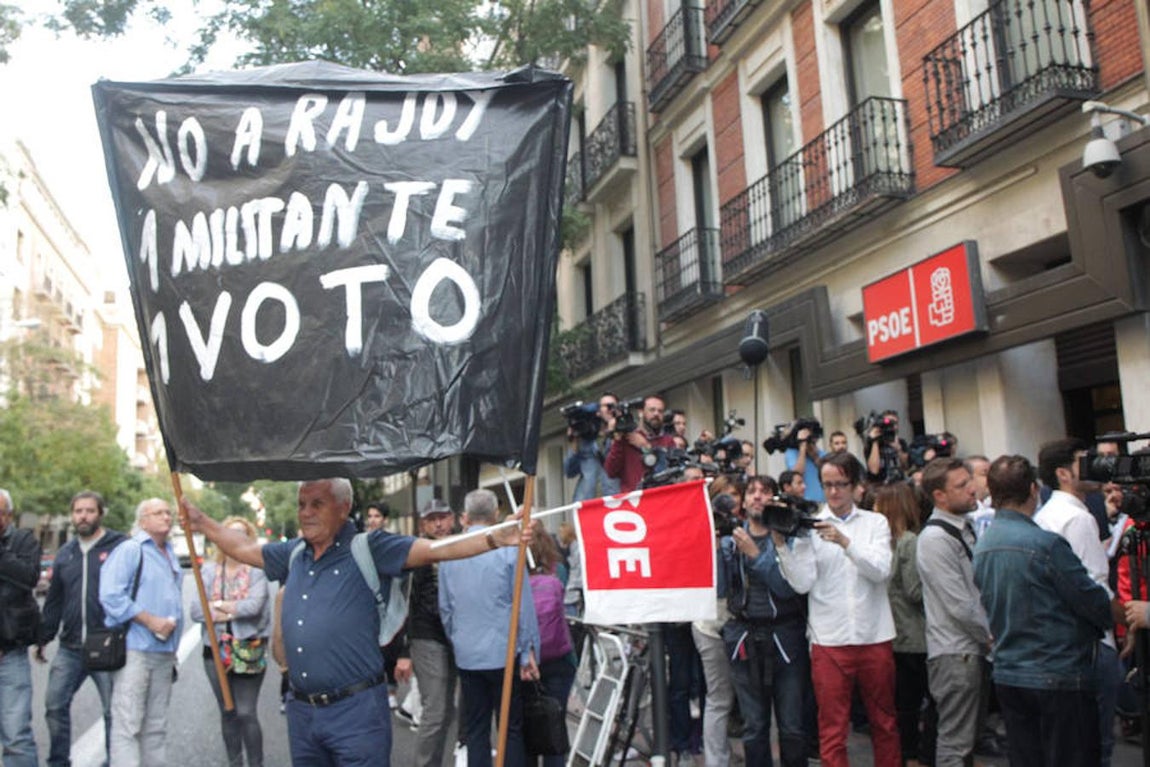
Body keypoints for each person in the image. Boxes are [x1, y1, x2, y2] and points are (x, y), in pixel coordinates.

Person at [184, 478, 533, 766]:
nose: (306, 513)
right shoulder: (293, 553)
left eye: (317, 504)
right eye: (302, 505)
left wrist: (493, 538)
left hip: (357, 714)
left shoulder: (370, 547)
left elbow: (435, 550)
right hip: (303, 713)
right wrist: (202, 523)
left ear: (343, 508)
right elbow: (245, 549)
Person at [972, 455, 1112, 767]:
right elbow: (1093, 602)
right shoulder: (1045, 544)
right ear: (1034, 489)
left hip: (1011, 671)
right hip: (1056, 671)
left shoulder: (984, 544)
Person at [774, 452, 901, 767]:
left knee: (884, 721)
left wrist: (846, 543)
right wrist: (781, 546)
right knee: (832, 727)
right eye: (828, 484)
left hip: (874, 636)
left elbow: (881, 571)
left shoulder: (876, 522)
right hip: (829, 641)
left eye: (841, 484)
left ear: (856, 486)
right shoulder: (810, 525)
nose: (833, 492)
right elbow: (802, 584)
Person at [439, 489, 540, 767]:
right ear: (495, 514)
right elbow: (522, 606)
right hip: (503, 651)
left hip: (467, 652)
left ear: (466, 517)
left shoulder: (451, 551)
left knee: (476, 729)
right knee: (511, 729)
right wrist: (527, 650)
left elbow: (446, 608)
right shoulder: (508, 549)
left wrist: (457, 638)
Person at [1035, 438, 1118, 764]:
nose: (1095, 467)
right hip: (1093, 644)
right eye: (1085, 461)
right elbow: (1095, 586)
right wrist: (1113, 633)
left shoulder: (1047, 514)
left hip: (1064, 645)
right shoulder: (1078, 519)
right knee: (1098, 744)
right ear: (1063, 473)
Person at [720, 475, 810, 767]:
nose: (758, 496)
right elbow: (721, 590)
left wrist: (756, 555)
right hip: (745, 638)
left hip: (785, 637)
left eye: (765, 491)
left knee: (792, 725)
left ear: (774, 498)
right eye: (752, 491)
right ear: (743, 501)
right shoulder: (729, 540)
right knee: (754, 725)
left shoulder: (788, 536)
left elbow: (788, 589)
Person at [38, 491, 127, 767]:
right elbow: (54, 601)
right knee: (54, 706)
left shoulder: (119, 547)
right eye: (78, 511)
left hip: (108, 646)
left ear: (100, 513)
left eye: (89, 510)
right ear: (72, 515)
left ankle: (116, 761)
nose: (83, 516)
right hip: (70, 648)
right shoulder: (65, 553)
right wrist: (42, 638)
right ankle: (58, 762)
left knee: (114, 712)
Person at [916, 458, 991, 767]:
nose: (972, 489)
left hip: (968, 650)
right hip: (956, 653)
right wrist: (990, 637)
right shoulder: (935, 538)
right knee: (955, 744)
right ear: (940, 496)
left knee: (965, 741)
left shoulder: (962, 526)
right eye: (961, 485)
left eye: (969, 480)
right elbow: (959, 603)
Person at [99, 497, 184, 767]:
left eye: (168, 513)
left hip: (164, 651)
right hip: (135, 649)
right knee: (128, 725)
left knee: (156, 726)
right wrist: (150, 621)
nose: (166, 517)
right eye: (158, 513)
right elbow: (110, 595)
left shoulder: (169, 552)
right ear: (143, 520)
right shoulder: (131, 549)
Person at [189, 516, 270, 767]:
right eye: (230, 533)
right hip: (214, 650)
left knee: (246, 712)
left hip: (249, 648)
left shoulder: (257, 569)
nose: (235, 538)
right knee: (228, 711)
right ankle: (235, 763)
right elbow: (195, 610)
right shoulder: (210, 570)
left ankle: (256, 763)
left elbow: (254, 607)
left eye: (242, 534)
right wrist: (232, 609)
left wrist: (219, 606)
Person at [874, 483, 935, 767]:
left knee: (902, 701)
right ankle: (918, 755)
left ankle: (906, 752)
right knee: (922, 700)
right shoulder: (909, 540)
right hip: (914, 633)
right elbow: (914, 590)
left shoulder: (882, 541)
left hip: (892, 631)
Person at [408, 498, 461, 767]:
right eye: (432, 519)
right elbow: (406, 603)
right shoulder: (416, 554)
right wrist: (404, 653)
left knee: (447, 711)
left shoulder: (463, 546)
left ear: (452, 519)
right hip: (426, 635)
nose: (438, 523)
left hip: (456, 637)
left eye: (442, 517)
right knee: (436, 709)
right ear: (423, 525)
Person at [693, 477, 742, 767]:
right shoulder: (699, 531)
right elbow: (719, 586)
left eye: (735, 495)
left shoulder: (744, 531)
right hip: (709, 625)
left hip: (742, 623)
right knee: (720, 697)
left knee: (749, 699)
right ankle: (717, 761)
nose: (729, 502)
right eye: (723, 497)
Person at [526, 521, 575, 767]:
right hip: (559, 658)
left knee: (525, 727)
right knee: (555, 725)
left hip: (525, 660)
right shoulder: (558, 571)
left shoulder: (511, 573)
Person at [0, 488, 41, 767]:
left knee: (16, 736)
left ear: (9, 515)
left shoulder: (22, 541)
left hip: (9, 655)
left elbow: (28, 577)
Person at [363, 501, 405, 709]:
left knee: (389, 650)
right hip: (366, 605)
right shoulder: (359, 543)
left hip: (389, 601)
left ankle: (391, 689)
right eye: (370, 516)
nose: (372, 520)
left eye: (377, 516)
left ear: (385, 520)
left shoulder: (392, 542)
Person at [604, 394, 677, 493]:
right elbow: (611, 471)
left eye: (660, 411)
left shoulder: (668, 441)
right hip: (634, 501)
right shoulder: (626, 439)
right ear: (641, 412)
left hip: (661, 497)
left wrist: (646, 446)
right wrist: (617, 441)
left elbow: (670, 470)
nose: (656, 414)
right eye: (652, 410)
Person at [564, 392, 622, 502]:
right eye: (605, 406)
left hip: (614, 500)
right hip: (587, 502)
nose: (609, 409)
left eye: (612, 406)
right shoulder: (587, 438)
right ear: (598, 412)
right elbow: (569, 472)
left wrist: (613, 432)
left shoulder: (625, 434)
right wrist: (574, 441)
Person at [785, 421, 825, 502]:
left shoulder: (822, 454)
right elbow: (797, 473)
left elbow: (827, 472)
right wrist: (802, 446)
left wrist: (815, 457)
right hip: (804, 502)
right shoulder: (791, 453)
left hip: (823, 501)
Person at [865, 410, 909, 485]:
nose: (891, 426)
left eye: (895, 423)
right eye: (889, 422)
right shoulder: (871, 444)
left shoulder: (901, 442)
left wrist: (898, 449)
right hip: (880, 486)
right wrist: (875, 441)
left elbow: (906, 466)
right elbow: (874, 470)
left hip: (898, 485)